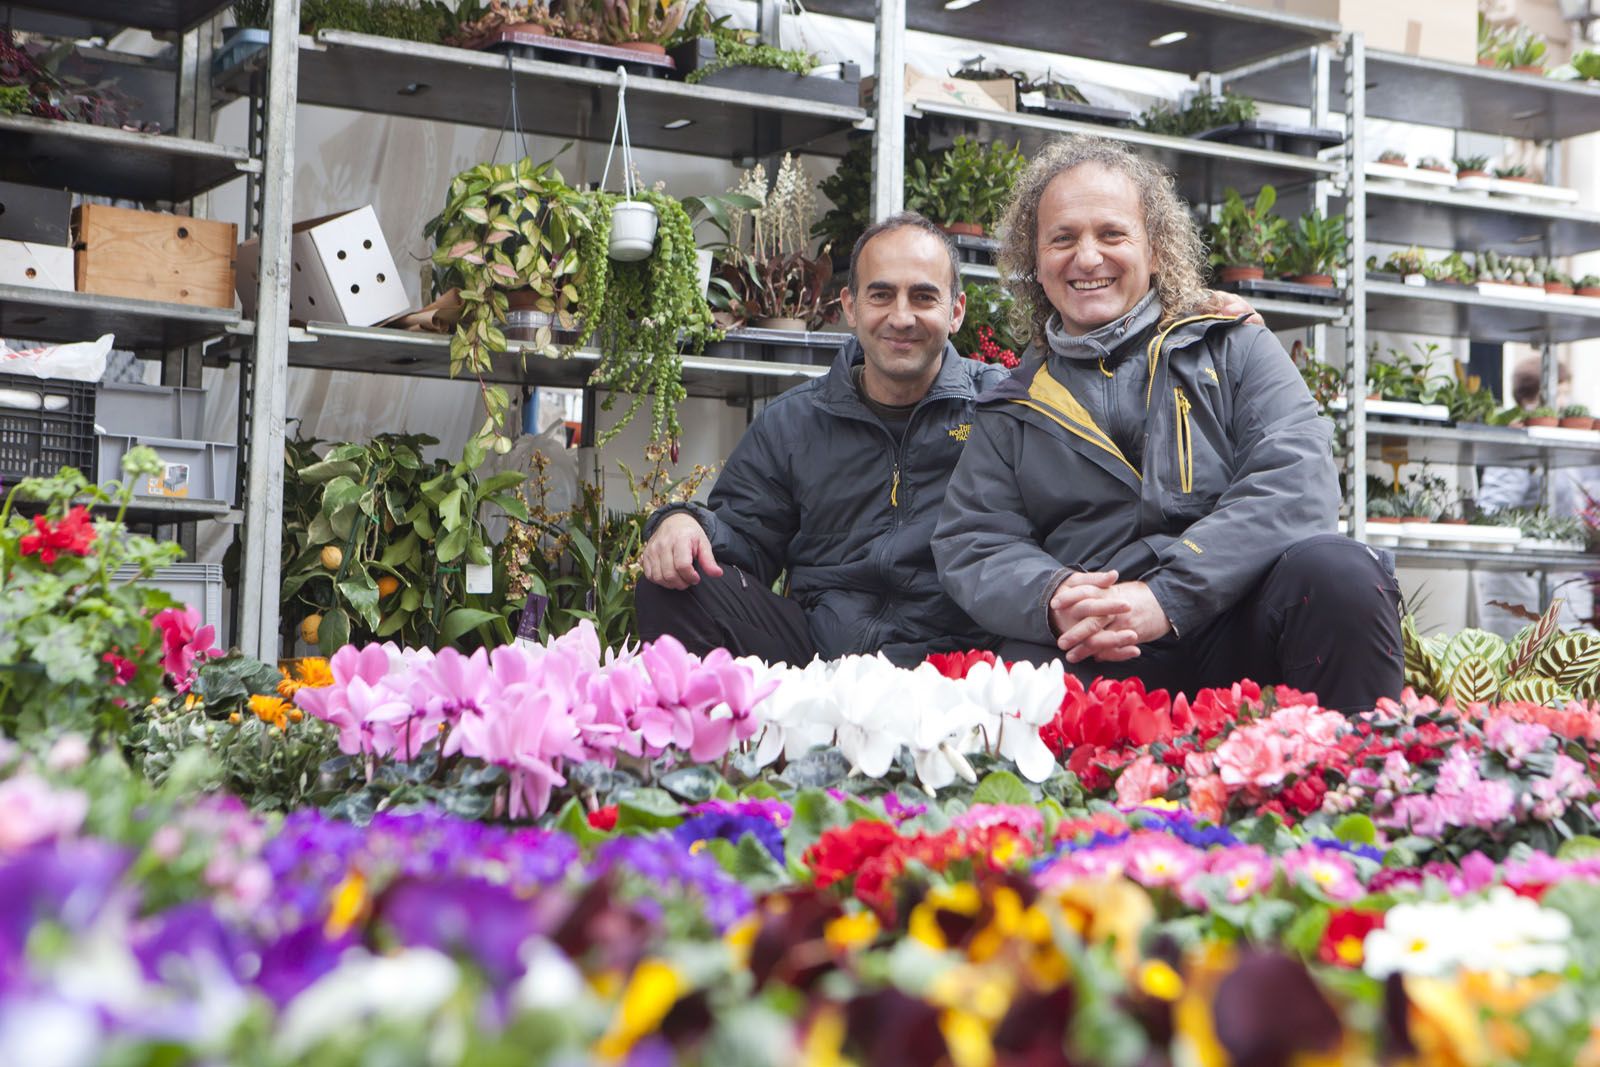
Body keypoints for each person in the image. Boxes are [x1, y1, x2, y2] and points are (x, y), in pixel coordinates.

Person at [634, 210, 1260, 667]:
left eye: (923, 297)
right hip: (818, 658)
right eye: (881, 295)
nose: (901, 317)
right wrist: (686, 523)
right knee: (676, 586)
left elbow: (1113, 390)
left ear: (956, 312)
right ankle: (714, 758)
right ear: (849, 307)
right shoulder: (794, 421)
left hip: (966, 664)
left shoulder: (1007, 404)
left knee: (1061, 644)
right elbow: (741, 536)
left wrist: (1187, 317)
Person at [931, 136, 1402, 711]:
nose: (1086, 257)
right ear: (1035, 263)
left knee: (1339, 574)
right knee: (1024, 679)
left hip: (1240, 623)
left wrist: (1167, 596)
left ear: (1155, 250)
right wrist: (1053, 596)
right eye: (1062, 238)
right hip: (1106, 647)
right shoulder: (1014, 406)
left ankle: (1357, 781)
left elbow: (1297, 482)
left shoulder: (1234, 347)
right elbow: (974, 540)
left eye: (1111, 234)